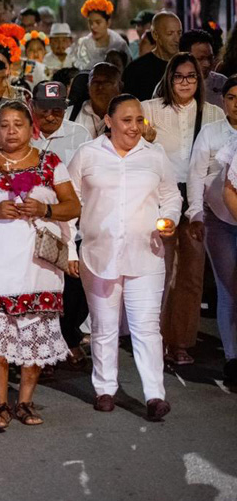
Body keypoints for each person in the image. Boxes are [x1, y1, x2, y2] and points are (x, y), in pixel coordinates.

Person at [0, 101, 80, 428]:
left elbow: (73, 206)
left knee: (35, 333)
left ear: (31, 128)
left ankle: (24, 402)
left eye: (18, 125)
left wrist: (44, 210)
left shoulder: (51, 163)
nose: (11, 131)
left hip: (37, 264)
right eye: (4, 125)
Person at [68, 94, 180, 421]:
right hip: (98, 254)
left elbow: (171, 195)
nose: (134, 127)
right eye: (127, 120)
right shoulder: (87, 154)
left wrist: (170, 218)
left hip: (146, 253)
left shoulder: (155, 155)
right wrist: (70, 246)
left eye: (139, 120)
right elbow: (68, 201)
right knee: (103, 326)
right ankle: (105, 388)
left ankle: (155, 394)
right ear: (109, 121)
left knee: (146, 327)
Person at [142, 53, 224, 366]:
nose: (186, 82)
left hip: (199, 201)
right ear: (169, 78)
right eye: (179, 76)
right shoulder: (150, 109)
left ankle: (182, 342)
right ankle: (155, 339)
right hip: (162, 197)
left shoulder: (214, 114)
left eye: (191, 76)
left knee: (191, 276)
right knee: (162, 273)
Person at [30, 81, 92, 365]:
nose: (51, 116)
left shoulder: (79, 135)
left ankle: (68, 336)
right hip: (32, 225)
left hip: (71, 223)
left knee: (75, 289)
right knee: (38, 288)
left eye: (57, 110)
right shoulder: (22, 133)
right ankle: (42, 350)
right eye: (44, 110)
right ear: (33, 107)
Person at [188, 76, 237, 386]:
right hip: (219, 220)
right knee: (228, 287)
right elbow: (195, 173)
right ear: (224, 101)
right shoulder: (212, 132)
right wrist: (194, 212)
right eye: (231, 97)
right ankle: (233, 358)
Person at [123, 12, 182, 102]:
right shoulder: (136, 70)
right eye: (170, 33)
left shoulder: (186, 65)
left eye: (179, 33)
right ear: (155, 35)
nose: (176, 39)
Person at [67, 62, 123, 139]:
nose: (100, 87)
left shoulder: (130, 116)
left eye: (107, 82)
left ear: (119, 87)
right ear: (88, 86)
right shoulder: (69, 115)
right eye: (95, 82)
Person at [72, 0, 129, 71]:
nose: (93, 27)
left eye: (98, 22)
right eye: (90, 22)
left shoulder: (119, 44)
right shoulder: (84, 44)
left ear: (108, 23)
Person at [180, 29, 227, 109]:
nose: (207, 64)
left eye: (210, 58)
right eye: (200, 59)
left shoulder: (222, 83)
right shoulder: (167, 86)